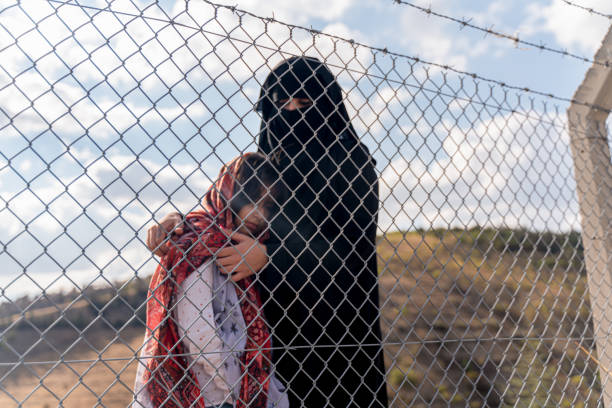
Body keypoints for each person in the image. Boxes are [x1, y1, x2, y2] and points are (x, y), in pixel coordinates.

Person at [149, 56, 388, 407]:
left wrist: (271, 257)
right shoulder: (261, 167)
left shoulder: (350, 161)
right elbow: (224, 211)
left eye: (305, 103)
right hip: (269, 335)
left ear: (329, 105)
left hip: (337, 330)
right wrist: (181, 228)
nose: (292, 112)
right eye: (280, 104)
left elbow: (351, 248)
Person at [133, 153, 289, 408]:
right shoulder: (199, 244)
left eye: (268, 205)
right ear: (228, 190)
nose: (259, 214)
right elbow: (200, 333)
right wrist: (236, 390)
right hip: (213, 395)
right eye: (250, 199)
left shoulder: (245, 246)